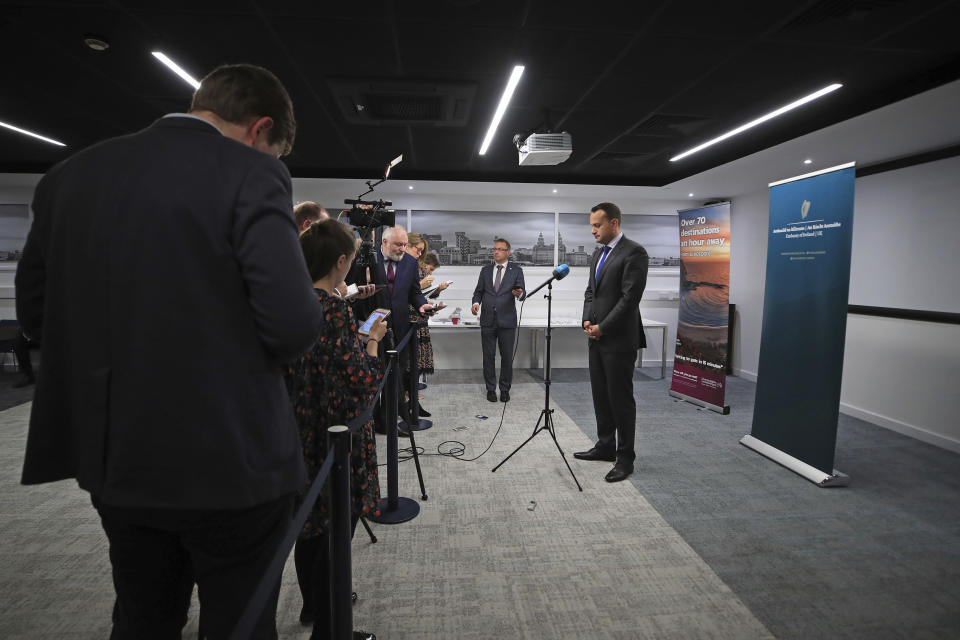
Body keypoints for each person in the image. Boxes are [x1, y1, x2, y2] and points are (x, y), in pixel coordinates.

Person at [15, 63, 323, 638]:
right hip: (231, 457)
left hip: (116, 457)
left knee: (142, 614)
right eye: (275, 152)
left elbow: (37, 314)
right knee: (240, 620)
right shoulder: (250, 175)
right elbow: (291, 324)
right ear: (260, 129)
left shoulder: (70, 175)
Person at [285, 219, 383, 640]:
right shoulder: (334, 310)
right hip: (335, 436)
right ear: (341, 262)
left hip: (300, 433)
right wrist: (373, 340)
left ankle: (313, 608)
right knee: (331, 534)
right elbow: (363, 381)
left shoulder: (291, 303)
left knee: (308, 530)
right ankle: (330, 628)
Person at [574, 202, 649, 483]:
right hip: (596, 337)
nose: (592, 230)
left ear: (614, 223)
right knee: (601, 396)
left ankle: (625, 458)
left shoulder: (634, 252)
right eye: (591, 225)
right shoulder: (598, 253)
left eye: (597, 225)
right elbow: (591, 292)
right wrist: (586, 319)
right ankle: (605, 446)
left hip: (618, 339)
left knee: (621, 400)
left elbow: (629, 300)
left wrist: (602, 328)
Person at [471, 238, 525, 402]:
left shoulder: (516, 270)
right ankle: (490, 389)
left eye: (500, 249)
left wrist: (520, 294)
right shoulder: (485, 270)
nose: (496, 251)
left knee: (507, 357)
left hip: (507, 320)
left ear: (508, 252)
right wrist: (475, 303)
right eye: (494, 249)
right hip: (487, 319)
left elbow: (523, 293)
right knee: (488, 357)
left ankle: (505, 389)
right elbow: (478, 292)